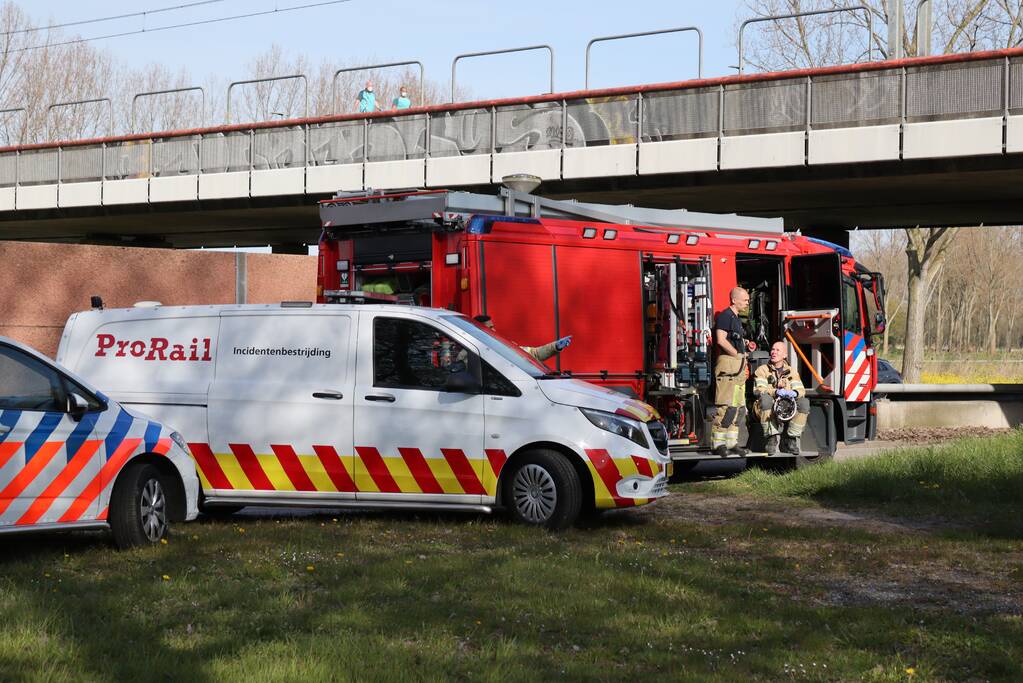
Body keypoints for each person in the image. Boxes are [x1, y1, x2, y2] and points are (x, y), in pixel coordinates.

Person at [711, 287, 757, 456]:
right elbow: (721, 340)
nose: (747, 303)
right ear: (734, 300)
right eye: (745, 300)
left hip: (737, 366)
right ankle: (718, 444)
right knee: (725, 406)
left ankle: (731, 443)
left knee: (738, 407)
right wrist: (737, 354)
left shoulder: (735, 318)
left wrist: (745, 344)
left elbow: (732, 339)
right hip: (729, 365)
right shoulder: (725, 316)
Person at [753, 340, 810, 455]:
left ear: (784, 355)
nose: (773, 352)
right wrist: (776, 392)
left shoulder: (791, 371)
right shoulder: (762, 370)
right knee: (765, 399)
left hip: (786, 408)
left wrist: (794, 393)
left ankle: (790, 439)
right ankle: (771, 439)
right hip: (765, 407)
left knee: (804, 403)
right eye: (773, 349)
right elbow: (759, 390)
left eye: (777, 350)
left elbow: (801, 390)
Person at [473, 315, 571, 362]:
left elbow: (533, 354)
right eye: (489, 328)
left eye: (493, 327)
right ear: (479, 330)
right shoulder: (469, 350)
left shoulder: (502, 345)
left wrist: (555, 346)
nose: (494, 330)